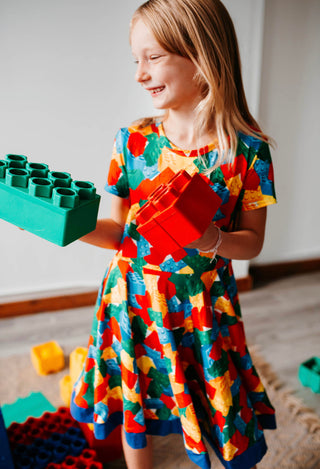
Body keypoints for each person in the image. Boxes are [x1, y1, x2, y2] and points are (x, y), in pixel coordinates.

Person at [70, 1, 277, 468]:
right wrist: (67, 225)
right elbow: (117, 232)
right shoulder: (132, 140)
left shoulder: (247, 150)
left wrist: (211, 240)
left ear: (202, 59)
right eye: (135, 60)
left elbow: (253, 241)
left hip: (202, 306)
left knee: (215, 400)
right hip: (133, 300)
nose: (140, 74)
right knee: (135, 399)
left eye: (154, 57)